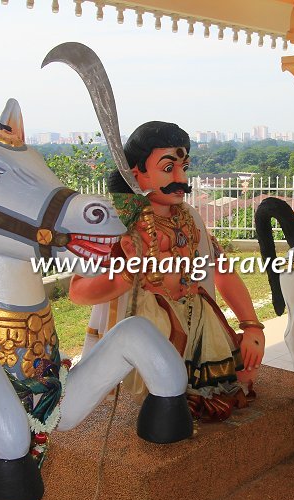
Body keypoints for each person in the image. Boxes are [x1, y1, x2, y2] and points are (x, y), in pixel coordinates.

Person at [70, 121, 265, 422]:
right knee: (163, 392)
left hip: (198, 315)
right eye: (168, 168)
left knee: (243, 372)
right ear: (136, 172)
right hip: (148, 324)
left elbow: (222, 270)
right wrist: (125, 275)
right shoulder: (115, 223)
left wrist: (251, 326)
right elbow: (78, 291)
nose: (180, 179)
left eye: (184, 168)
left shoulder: (189, 218)